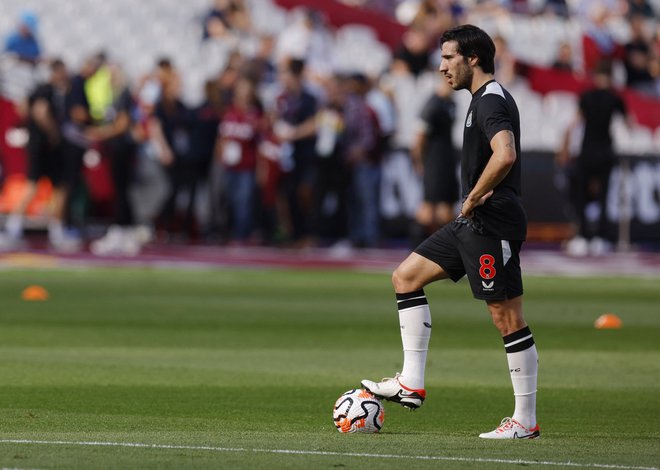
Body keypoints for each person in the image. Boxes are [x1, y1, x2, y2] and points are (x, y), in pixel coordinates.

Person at [361, 24, 539, 440]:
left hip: (492, 222)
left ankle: (525, 421)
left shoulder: (491, 99)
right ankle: (410, 382)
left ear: (472, 58)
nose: (442, 67)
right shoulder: (479, 100)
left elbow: (506, 153)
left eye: (448, 58)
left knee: (507, 318)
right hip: (471, 223)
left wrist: (474, 195)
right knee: (405, 277)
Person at [565, 60, 629, 256]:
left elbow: (574, 123)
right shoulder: (615, 98)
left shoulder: (586, 96)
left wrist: (565, 147)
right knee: (603, 196)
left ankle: (583, 237)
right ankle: (600, 238)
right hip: (605, 152)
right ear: (610, 77)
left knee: (581, 196)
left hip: (586, 152)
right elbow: (629, 123)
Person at [411, 77, 459, 244]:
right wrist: (419, 161)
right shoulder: (432, 105)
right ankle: (416, 247)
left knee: (445, 206)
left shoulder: (451, 103)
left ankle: (440, 247)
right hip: (434, 161)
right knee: (430, 206)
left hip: (447, 161)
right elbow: (419, 138)